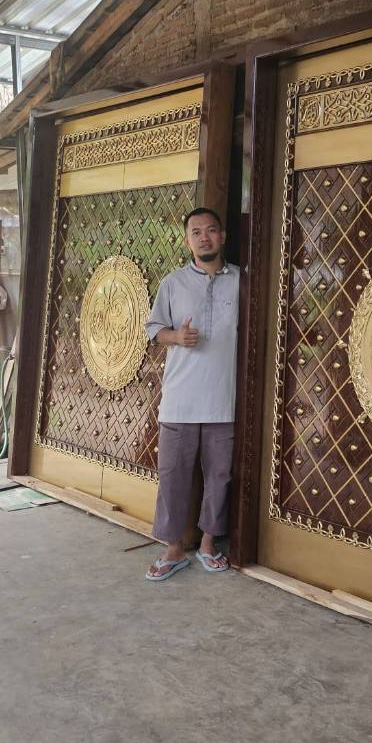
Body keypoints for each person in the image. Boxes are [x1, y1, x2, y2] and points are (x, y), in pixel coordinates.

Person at [143, 206, 240, 581]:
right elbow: (154, 329)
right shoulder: (173, 283)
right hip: (180, 401)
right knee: (173, 476)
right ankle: (172, 549)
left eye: (211, 230)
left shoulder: (241, 281)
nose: (205, 237)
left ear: (222, 237)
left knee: (219, 476)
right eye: (196, 232)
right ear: (188, 240)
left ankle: (208, 544)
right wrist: (176, 337)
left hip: (224, 401)